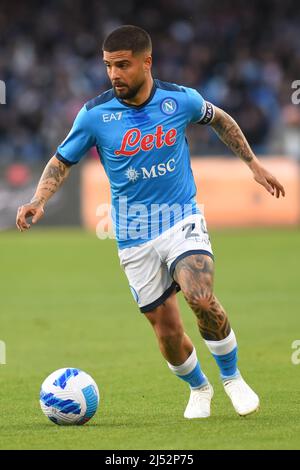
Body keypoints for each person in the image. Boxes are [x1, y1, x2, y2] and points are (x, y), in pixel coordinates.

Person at [16, 25, 285, 419]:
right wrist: (38, 200)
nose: (114, 75)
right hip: (132, 234)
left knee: (200, 294)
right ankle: (199, 388)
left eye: (122, 65)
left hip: (181, 218)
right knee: (167, 332)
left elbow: (221, 119)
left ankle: (233, 379)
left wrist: (253, 164)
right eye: (108, 66)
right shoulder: (94, 115)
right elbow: (61, 161)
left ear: (147, 62)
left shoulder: (181, 100)